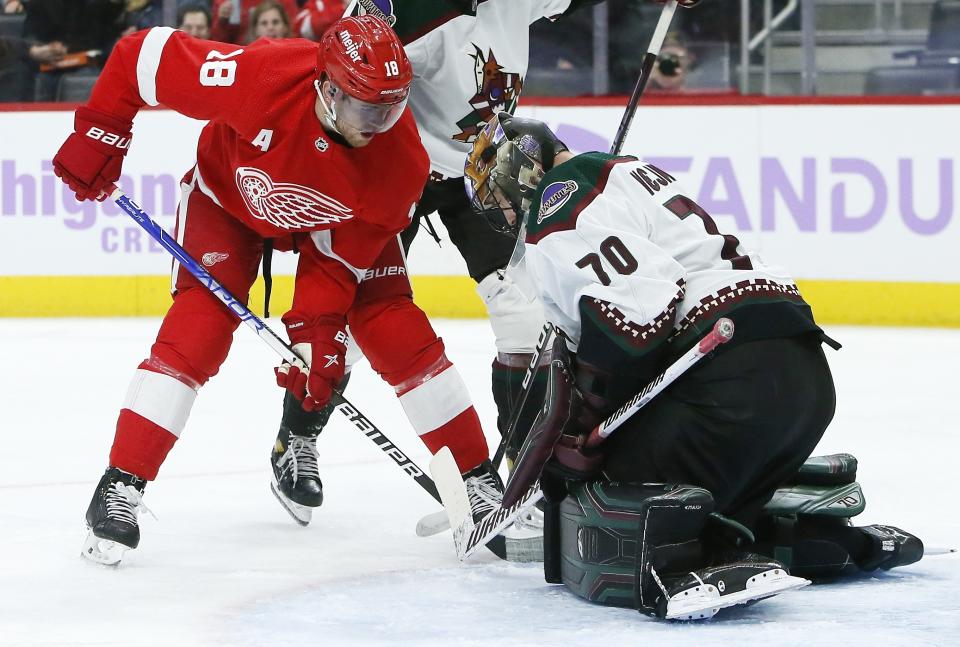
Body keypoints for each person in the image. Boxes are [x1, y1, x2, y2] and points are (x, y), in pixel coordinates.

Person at [52, 14, 502, 565]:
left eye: (392, 108)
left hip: (327, 228)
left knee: (394, 326)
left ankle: (476, 479)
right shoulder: (262, 77)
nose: (379, 125)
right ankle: (121, 484)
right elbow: (140, 57)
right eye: (366, 109)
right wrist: (100, 131)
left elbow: (337, 266)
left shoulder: (400, 158)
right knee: (198, 331)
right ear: (327, 88)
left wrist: (316, 335)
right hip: (227, 204)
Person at [463, 113, 923, 619]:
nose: (503, 215)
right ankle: (810, 537)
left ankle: (675, 563)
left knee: (600, 494)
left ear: (517, 168)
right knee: (710, 496)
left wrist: (587, 419)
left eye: (497, 198)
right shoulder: (627, 172)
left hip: (727, 388)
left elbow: (638, 317)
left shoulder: (558, 202)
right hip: (803, 379)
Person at [264, 0, 628, 563]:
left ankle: (519, 479)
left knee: (524, 314)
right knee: (357, 330)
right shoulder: (404, 9)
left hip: (480, 174)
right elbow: (338, 81)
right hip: (394, 168)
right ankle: (297, 435)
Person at [210, 0, 297, 44]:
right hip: (244, 55)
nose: (270, 27)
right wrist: (222, 22)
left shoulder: (286, 3)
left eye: (275, 22)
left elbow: (294, 31)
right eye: (264, 23)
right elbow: (218, 44)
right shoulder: (226, 3)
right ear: (255, 29)